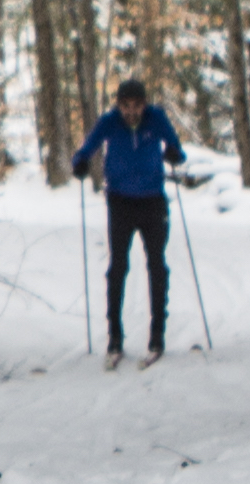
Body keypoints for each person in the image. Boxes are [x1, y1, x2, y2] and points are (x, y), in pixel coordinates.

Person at [77, 77, 181, 363]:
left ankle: (157, 333)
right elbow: (89, 146)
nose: (131, 112)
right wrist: (81, 161)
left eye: (136, 106)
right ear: (119, 105)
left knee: (156, 265)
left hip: (152, 201)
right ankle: (114, 337)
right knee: (118, 266)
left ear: (144, 104)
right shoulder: (110, 122)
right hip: (120, 201)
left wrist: (173, 153)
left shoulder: (156, 118)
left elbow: (175, 146)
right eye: (126, 106)